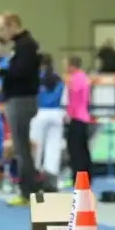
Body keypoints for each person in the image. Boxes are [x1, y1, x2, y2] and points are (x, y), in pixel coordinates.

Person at [0, 12, 41, 206]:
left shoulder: (26, 45)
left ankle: (28, 192)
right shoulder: (20, 45)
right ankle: (31, 189)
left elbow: (21, 73)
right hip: (18, 98)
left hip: (21, 100)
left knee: (21, 148)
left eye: (2, 28)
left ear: (12, 25)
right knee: (21, 148)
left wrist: (0, 71)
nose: (0, 33)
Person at [31, 54, 65, 190]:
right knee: (54, 148)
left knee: (36, 147)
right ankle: (51, 180)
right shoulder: (59, 80)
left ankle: (35, 177)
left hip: (40, 112)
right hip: (56, 113)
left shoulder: (36, 78)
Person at [65, 56, 93, 183]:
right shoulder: (84, 77)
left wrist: (69, 114)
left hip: (76, 117)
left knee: (75, 149)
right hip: (84, 116)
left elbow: (74, 100)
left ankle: (77, 176)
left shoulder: (74, 79)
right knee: (83, 148)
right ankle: (87, 175)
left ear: (71, 66)